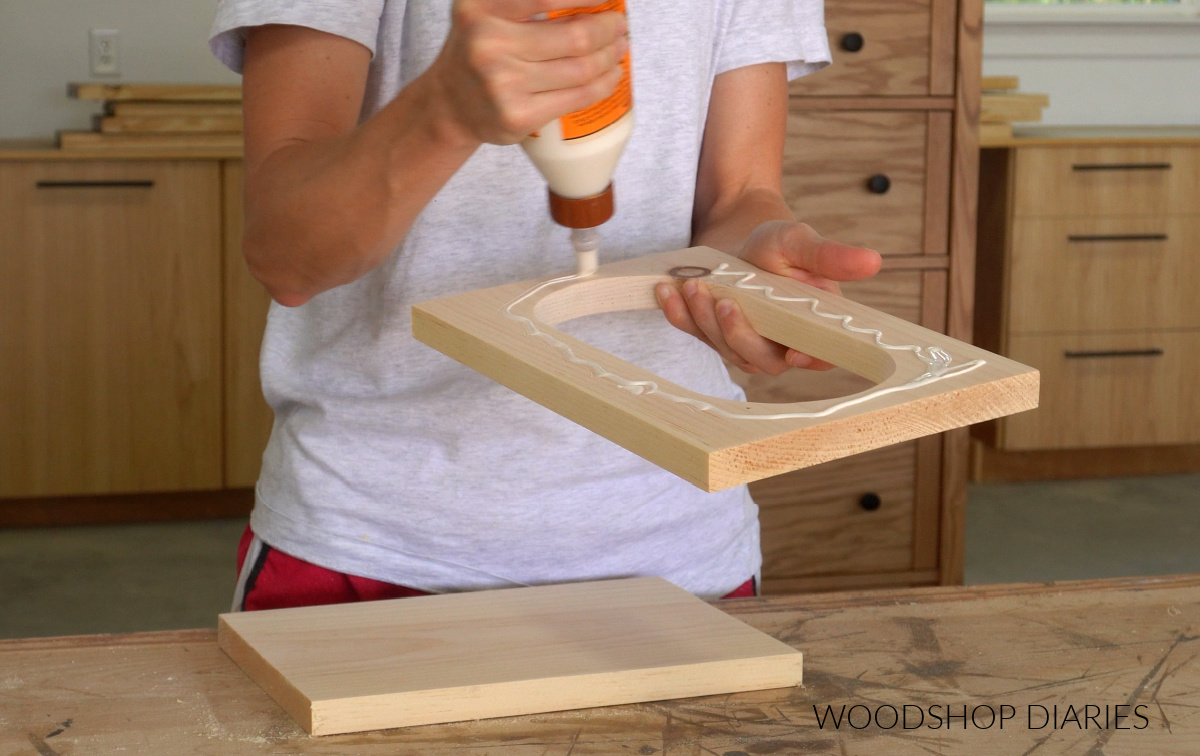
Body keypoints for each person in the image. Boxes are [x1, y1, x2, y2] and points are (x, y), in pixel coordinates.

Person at [209, 0, 882, 612]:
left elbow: (738, 198)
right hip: (376, 544)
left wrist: (753, 272)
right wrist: (442, 112)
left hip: (678, 546)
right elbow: (286, 256)